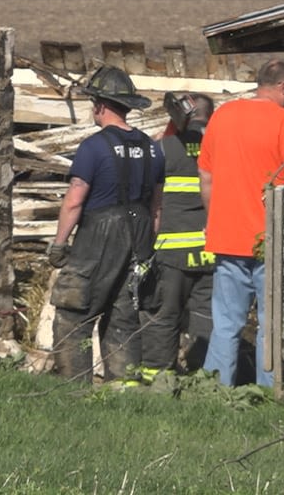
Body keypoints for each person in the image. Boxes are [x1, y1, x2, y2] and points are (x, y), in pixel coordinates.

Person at [46, 66, 165, 381]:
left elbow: (74, 199)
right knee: (123, 317)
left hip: (99, 234)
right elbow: (156, 207)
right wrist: (146, 249)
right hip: (139, 234)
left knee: (75, 315)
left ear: (99, 105)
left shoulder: (94, 147)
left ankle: (74, 391)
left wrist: (59, 244)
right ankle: (124, 389)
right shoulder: (152, 148)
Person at [199, 59, 284, 387]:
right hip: (269, 241)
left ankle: (215, 391)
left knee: (225, 324)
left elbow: (206, 176)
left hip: (227, 237)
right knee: (270, 323)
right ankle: (269, 393)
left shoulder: (223, 115)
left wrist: (213, 219)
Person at [139, 92, 215, 380]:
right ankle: (206, 378)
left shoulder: (164, 148)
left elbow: (153, 202)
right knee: (207, 318)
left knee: (163, 315)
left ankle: (157, 377)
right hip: (211, 250)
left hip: (173, 251)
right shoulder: (222, 147)